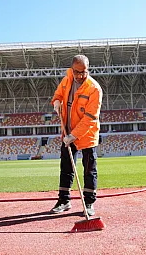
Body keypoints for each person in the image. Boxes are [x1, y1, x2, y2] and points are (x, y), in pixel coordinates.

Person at [50, 54, 103, 216]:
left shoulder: (94, 89)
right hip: (67, 132)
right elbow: (58, 95)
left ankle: (88, 203)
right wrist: (56, 102)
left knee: (89, 170)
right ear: (72, 69)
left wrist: (73, 135)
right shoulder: (66, 80)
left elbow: (90, 118)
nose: (80, 75)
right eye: (77, 72)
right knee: (66, 167)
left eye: (84, 72)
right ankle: (64, 200)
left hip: (86, 135)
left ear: (88, 69)